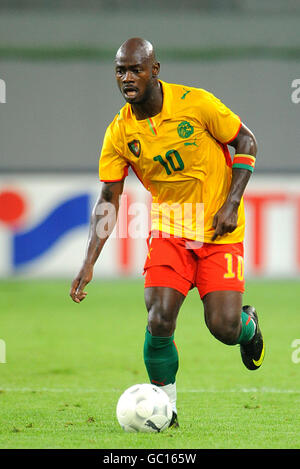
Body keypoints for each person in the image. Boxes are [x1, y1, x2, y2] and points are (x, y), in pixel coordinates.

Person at [70, 37, 265, 427]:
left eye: (135, 69)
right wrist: (88, 262)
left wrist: (231, 203)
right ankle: (167, 409)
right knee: (159, 317)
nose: (127, 77)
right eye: (120, 70)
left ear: (154, 71)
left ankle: (249, 327)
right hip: (170, 232)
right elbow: (108, 199)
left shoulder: (197, 103)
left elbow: (246, 141)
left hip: (218, 231)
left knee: (223, 328)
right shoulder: (119, 133)